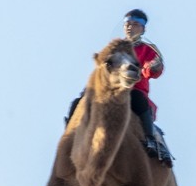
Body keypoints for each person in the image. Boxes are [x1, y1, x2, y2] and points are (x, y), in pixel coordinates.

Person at [66, 8, 171, 165]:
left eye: (135, 24)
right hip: (109, 88)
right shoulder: (115, 48)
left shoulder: (147, 50)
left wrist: (152, 67)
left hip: (133, 89)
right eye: (128, 24)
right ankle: (70, 136)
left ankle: (150, 139)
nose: (130, 27)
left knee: (139, 101)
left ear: (143, 29)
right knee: (78, 102)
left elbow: (152, 69)